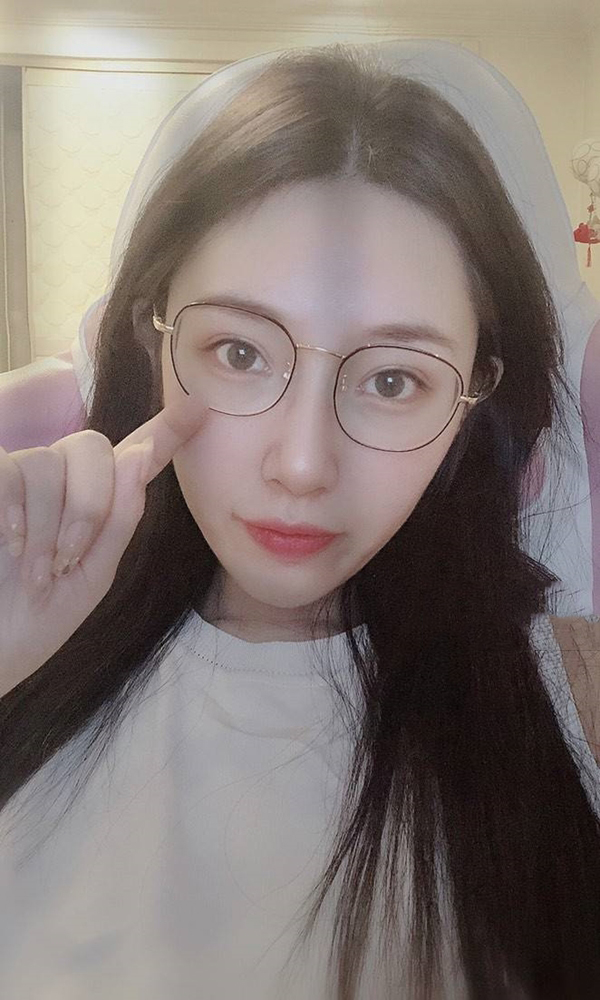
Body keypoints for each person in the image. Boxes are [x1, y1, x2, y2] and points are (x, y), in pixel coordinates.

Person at [0, 40, 599, 1000]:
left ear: (474, 396)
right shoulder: (30, 646)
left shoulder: (569, 703)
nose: (304, 465)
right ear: (155, 340)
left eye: (393, 379)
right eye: (239, 353)